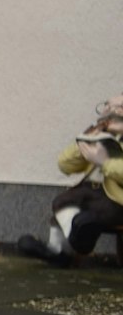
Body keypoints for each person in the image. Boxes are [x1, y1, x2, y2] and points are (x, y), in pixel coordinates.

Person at [18, 94, 123, 265]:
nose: (111, 111)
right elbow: (64, 164)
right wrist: (84, 143)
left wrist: (104, 162)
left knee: (89, 216)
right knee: (64, 201)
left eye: (119, 107)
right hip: (90, 191)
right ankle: (60, 249)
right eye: (108, 105)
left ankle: (74, 244)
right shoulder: (100, 133)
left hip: (116, 200)